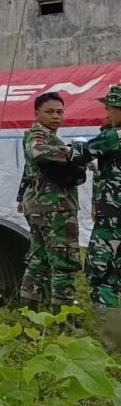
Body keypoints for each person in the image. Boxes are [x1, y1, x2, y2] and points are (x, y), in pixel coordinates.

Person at [19, 92, 89, 311]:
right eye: (49, 112)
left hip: (42, 207)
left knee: (39, 259)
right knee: (64, 262)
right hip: (55, 208)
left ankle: (29, 310)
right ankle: (64, 318)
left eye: (59, 112)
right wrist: (73, 152)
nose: (56, 116)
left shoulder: (49, 137)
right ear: (36, 113)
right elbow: (38, 152)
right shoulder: (37, 135)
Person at [83, 84, 121, 348]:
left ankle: (113, 344)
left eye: (110, 108)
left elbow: (80, 153)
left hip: (113, 221)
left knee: (101, 276)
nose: (106, 112)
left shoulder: (112, 136)